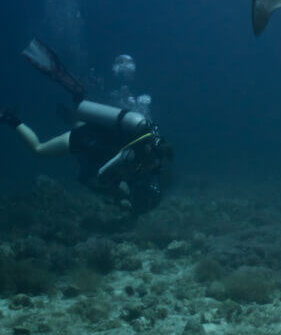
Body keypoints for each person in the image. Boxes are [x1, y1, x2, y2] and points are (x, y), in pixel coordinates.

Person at [1, 39, 172, 214]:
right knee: (39, 149)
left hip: (94, 132)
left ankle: (75, 107)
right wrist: (118, 191)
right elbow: (102, 173)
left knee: (79, 121)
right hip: (83, 139)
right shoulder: (133, 157)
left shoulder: (144, 148)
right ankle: (11, 118)